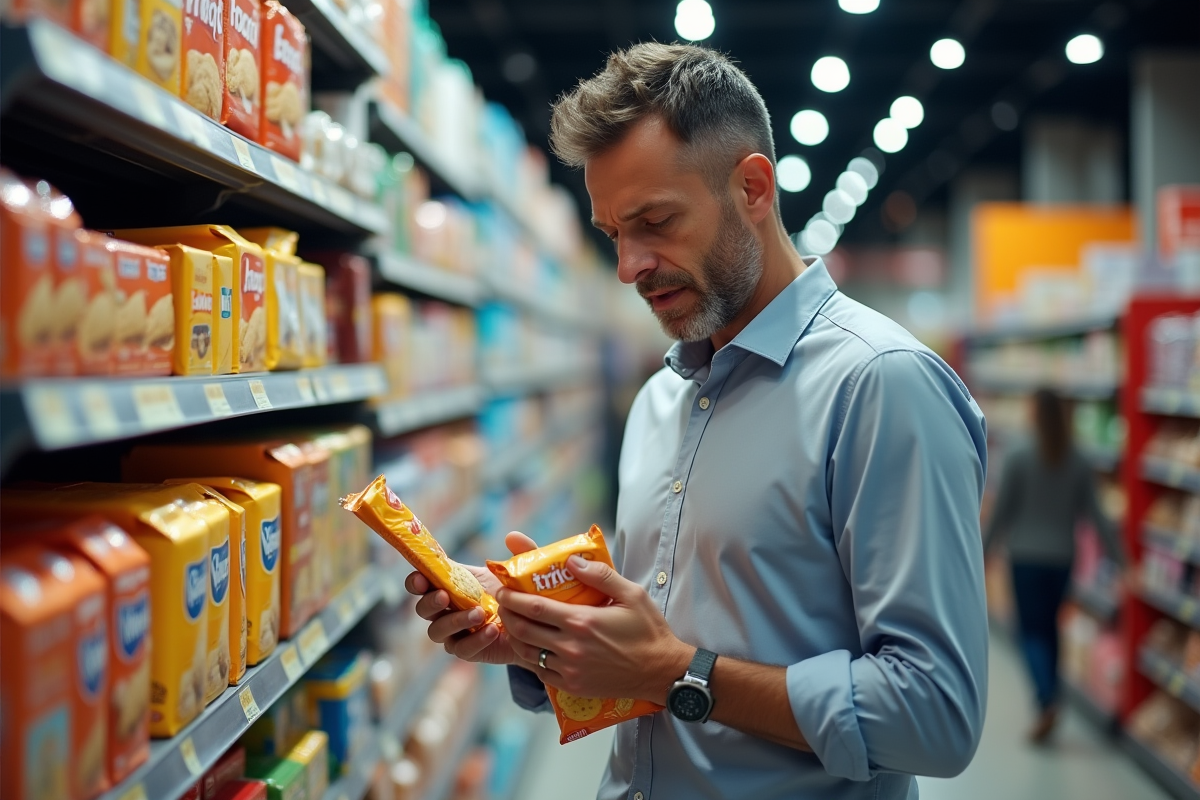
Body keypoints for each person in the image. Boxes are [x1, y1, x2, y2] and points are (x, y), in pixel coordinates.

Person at [405, 43, 990, 800]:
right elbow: (658, 646)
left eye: (655, 222)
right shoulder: (661, 400)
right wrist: (539, 639)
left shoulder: (881, 385)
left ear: (753, 188)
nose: (629, 266)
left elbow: (935, 715)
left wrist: (675, 673)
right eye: (613, 234)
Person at [983, 388, 1127, 744]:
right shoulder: (1077, 457)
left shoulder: (1018, 453)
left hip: (1025, 557)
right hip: (1063, 559)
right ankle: (1053, 697)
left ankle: (1046, 699)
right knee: (1050, 627)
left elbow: (1002, 512)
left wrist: (982, 552)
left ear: (1034, 413)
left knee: (1029, 631)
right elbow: (1097, 516)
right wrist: (1122, 561)